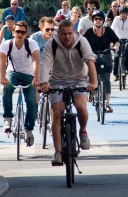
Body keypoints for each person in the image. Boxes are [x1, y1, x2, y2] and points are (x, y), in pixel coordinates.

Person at [40, 19, 97, 166]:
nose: (67, 36)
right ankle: (58, 153)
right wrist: (44, 82)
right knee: (57, 113)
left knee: (80, 105)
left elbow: (90, 62)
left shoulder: (81, 41)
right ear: (58, 33)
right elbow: (45, 65)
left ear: (74, 32)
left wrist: (93, 83)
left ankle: (83, 131)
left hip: (79, 79)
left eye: (70, 33)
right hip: (57, 81)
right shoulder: (51, 44)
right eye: (63, 34)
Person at [0, 21, 39, 146]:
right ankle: (8, 119)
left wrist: (36, 78)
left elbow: (36, 61)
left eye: (22, 32)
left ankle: (29, 130)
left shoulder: (32, 44)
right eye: (17, 32)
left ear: (26, 34)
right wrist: (2, 77)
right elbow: (2, 60)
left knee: (32, 102)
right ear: (13, 32)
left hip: (29, 74)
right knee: (7, 90)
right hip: (13, 73)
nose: (20, 34)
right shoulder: (7, 44)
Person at [83, 10, 119, 113]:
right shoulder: (89, 31)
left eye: (100, 19)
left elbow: (116, 40)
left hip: (106, 55)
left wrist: (116, 47)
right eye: (96, 19)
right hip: (92, 56)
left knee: (106, 80)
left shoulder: (108, 30)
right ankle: (91, 91)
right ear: (93, 20)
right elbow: (82, 42)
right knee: (89, 74)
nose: (98, 21)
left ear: (103, 20)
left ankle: (107, 104)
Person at [111, 7, 128, 81]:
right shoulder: (116, 19)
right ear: (120, 13)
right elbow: (112, 29)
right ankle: (115, 74)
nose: (123, 15)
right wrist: (111, 40)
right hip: (118, 39)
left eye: (125, 13)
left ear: (127, 13)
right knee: (116, 56)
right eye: (122, 13)